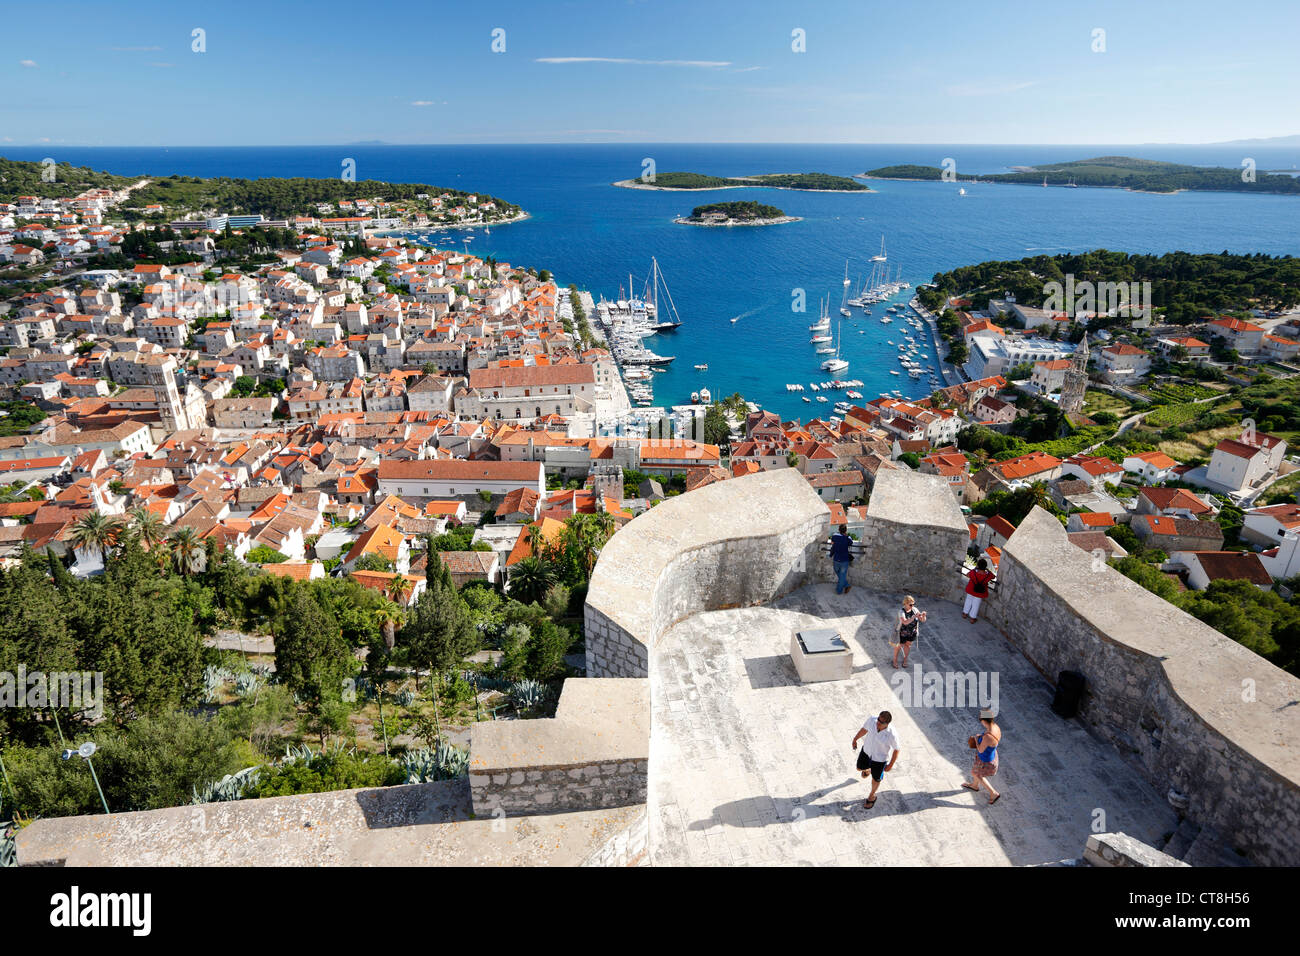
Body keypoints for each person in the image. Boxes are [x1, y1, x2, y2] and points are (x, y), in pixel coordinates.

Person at [851, 710, 900, 809]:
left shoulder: (892, 734)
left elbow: (897, 750)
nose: (878, 722)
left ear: (887, 724)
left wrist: (890, 765)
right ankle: (867, 769)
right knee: (859, 768)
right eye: (878, 719)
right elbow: (864, 729)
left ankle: (872, 796)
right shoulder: (872, 720)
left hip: (879, 760)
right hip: (866, 752)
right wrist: (855, 739)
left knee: (876, 779)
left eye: (881, 722)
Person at [962, 707, 1001, 805]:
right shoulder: (995, 727)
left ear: (984, 721)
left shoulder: (988, 736)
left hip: (985, 760)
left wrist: (976, 739)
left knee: (976, 774)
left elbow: (980, 749)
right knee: (976, 772)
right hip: (989, 755)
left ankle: (993, 793)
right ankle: (974, 785)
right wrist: (982, 737)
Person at [891, 595, 926, 669]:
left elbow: (922, 620)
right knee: (898, 647)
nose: (912, 606)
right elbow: (905, 622)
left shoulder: (915, 609)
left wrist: (923, 616)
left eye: (913, 604)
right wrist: (913, 617)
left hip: (911, 633)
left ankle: (905, 659)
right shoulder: (901, 612)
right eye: (910, 604)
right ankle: (894, 660)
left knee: (908, 646)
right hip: (902, 633)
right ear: (905, 604)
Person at [963, 558, 995, 622]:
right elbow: (993, 576)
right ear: (985, 567)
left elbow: (967, 575)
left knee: (968, 601)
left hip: (971, 589)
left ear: (978, 565)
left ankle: (965, 614)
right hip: (980, 592)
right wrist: (987, 570)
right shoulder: (988, 575)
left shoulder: (973, 572)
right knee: (976, 604)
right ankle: (972, 619)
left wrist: (975, 569)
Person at [830, 523, 853, 595]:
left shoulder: (834, 536)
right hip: (844, 560)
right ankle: (846, 585)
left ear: (839, 530)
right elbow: (850, 543)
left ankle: (839, 591)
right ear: (846, 530)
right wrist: (846, 536)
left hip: (836, 558)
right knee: (842, 575)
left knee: (837, 572)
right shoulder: (848, 538)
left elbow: (832, 542)